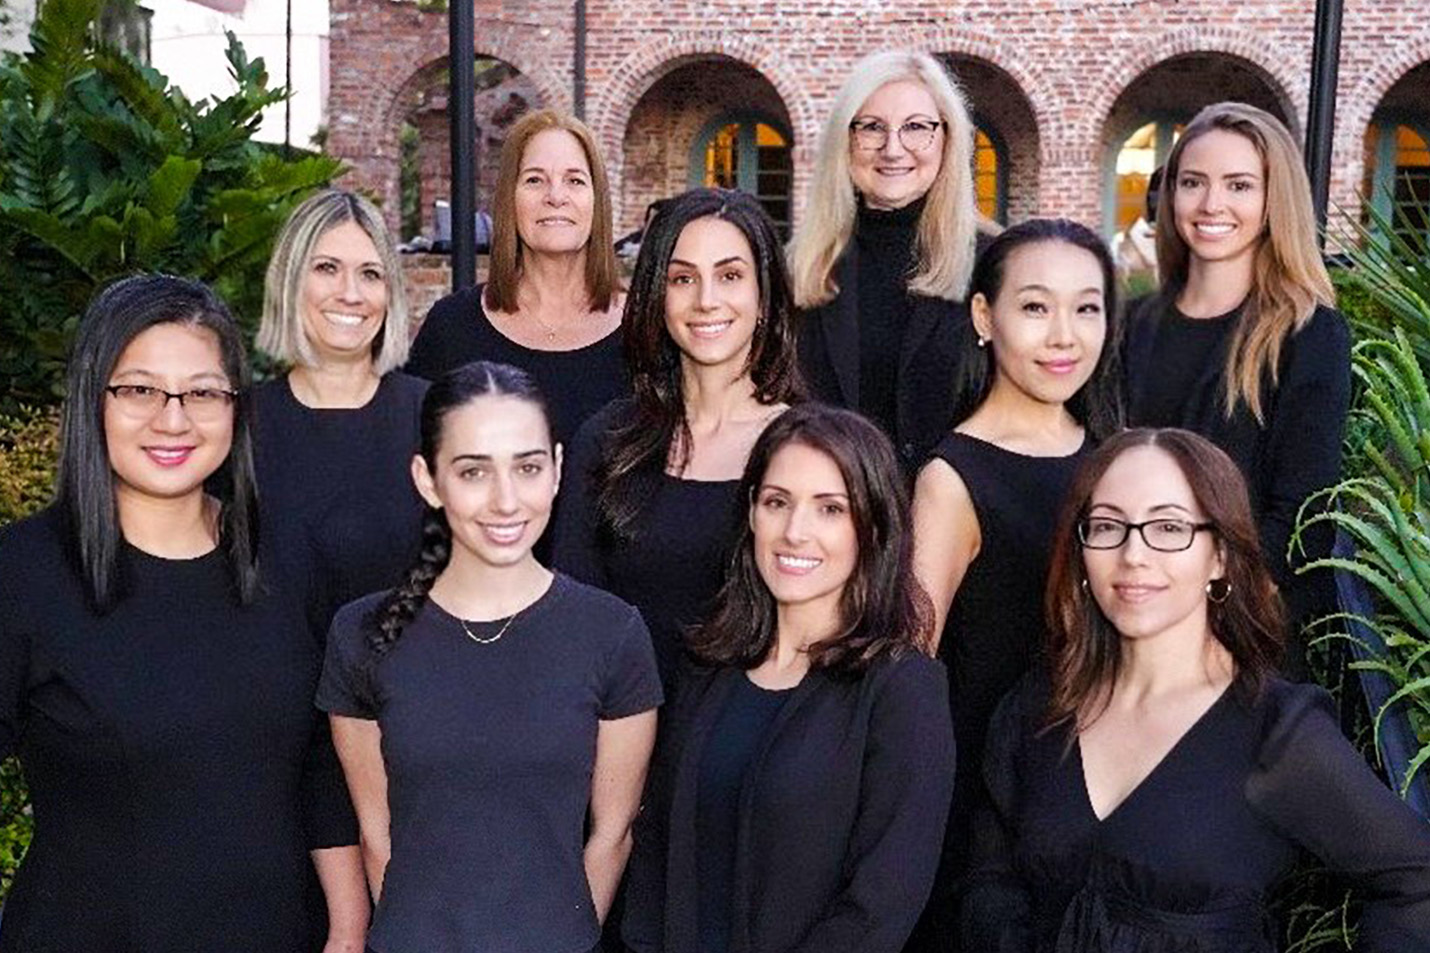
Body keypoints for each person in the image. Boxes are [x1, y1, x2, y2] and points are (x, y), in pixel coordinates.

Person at [0, 275, 366, 952]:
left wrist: (348, 929)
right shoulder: (23, 574)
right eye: (139, 389)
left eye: (202, 392)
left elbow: (320, 766)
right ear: (92, 399)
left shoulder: (287, 558)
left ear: (236, 407)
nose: (173, 418)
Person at [962, 428, 1430, 952]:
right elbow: (989, 879)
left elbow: (1415, 887)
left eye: (1168, 527)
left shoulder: (1276, 731)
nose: (1133, 554)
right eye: (1108, 526)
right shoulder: (1036, 710)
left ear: (1220, 556)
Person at [318, 361, 662, 953]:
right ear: (428, 480)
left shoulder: (612, 632)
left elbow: (613, 833)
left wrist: (564, 937)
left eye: (526, 468)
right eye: (474, 471)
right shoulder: (363, 633)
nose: (506, 500)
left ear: (557, 470)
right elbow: (378, 833)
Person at [622, 403, 957, 953]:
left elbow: (881, 905)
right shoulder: (708, 667)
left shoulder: (902, 689)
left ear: (872, 528)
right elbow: (656, 853)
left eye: (830, 509)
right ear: (752, 512)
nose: (796, 532)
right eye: (778, 502)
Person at [909, 218, 1123, 950]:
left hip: (1102, 782)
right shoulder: (952, 475)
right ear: (982, 317)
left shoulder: (1114, 459)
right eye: (1036, 306)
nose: (1064, 334)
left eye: (1086, 307)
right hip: (988, 802)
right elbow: (912, 663)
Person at [552, 188, 802, 687]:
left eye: (730, 276)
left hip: (758, 745)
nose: (706, 300)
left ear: (765, 298)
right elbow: (572, 622)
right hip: (625, 735)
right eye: (683, 279)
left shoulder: (810, 450)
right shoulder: (607, 440)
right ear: (656, 297)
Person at [1124, 102, 1351, 631]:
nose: (1211, 203)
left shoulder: (1309, 334)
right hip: (1123, 607)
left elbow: (1303, 513)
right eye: (1193, 182)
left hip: (1233, 627)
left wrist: (1200, 606)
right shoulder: (1129, 325)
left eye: (1239, 185)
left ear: (1275, 200)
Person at [789, 49, 987, 474]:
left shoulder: (996, 263)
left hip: (959, 524)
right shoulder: (800, 268)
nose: (892, 149)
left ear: (948, 139)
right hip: (832, 520)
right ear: (845, 140)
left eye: (916, 127)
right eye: (872, 128)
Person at [252, 189, 428, 636]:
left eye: (370, 274)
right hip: (269, 696)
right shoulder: (236, 425)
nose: (351, 294)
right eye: (327, 268)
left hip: (405, 694)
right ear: (290, 279)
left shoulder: (435, 417)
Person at [407, 110, 626, 455]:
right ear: (510, 198)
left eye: (575, 180)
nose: (556, 196)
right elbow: (418, 461)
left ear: (597, 201)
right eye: (535, 180)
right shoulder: (451, 328)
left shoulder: (646, 332)